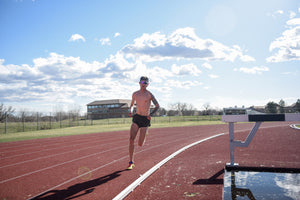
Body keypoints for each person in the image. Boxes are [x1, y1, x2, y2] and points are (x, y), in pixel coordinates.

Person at [127, 76, 160, 170]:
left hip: (145, 118)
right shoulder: (135, 94)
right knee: (131, 139)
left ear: (148, 84)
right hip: (137, 117)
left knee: (140, 144)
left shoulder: (149, 95)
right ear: (139, 83)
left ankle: (145, 134)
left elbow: (157, 106)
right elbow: (132, 105)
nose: (144, 84)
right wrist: (130, 110)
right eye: (142, 82)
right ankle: (131, 162)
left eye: (145, 83)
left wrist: (151, 114)